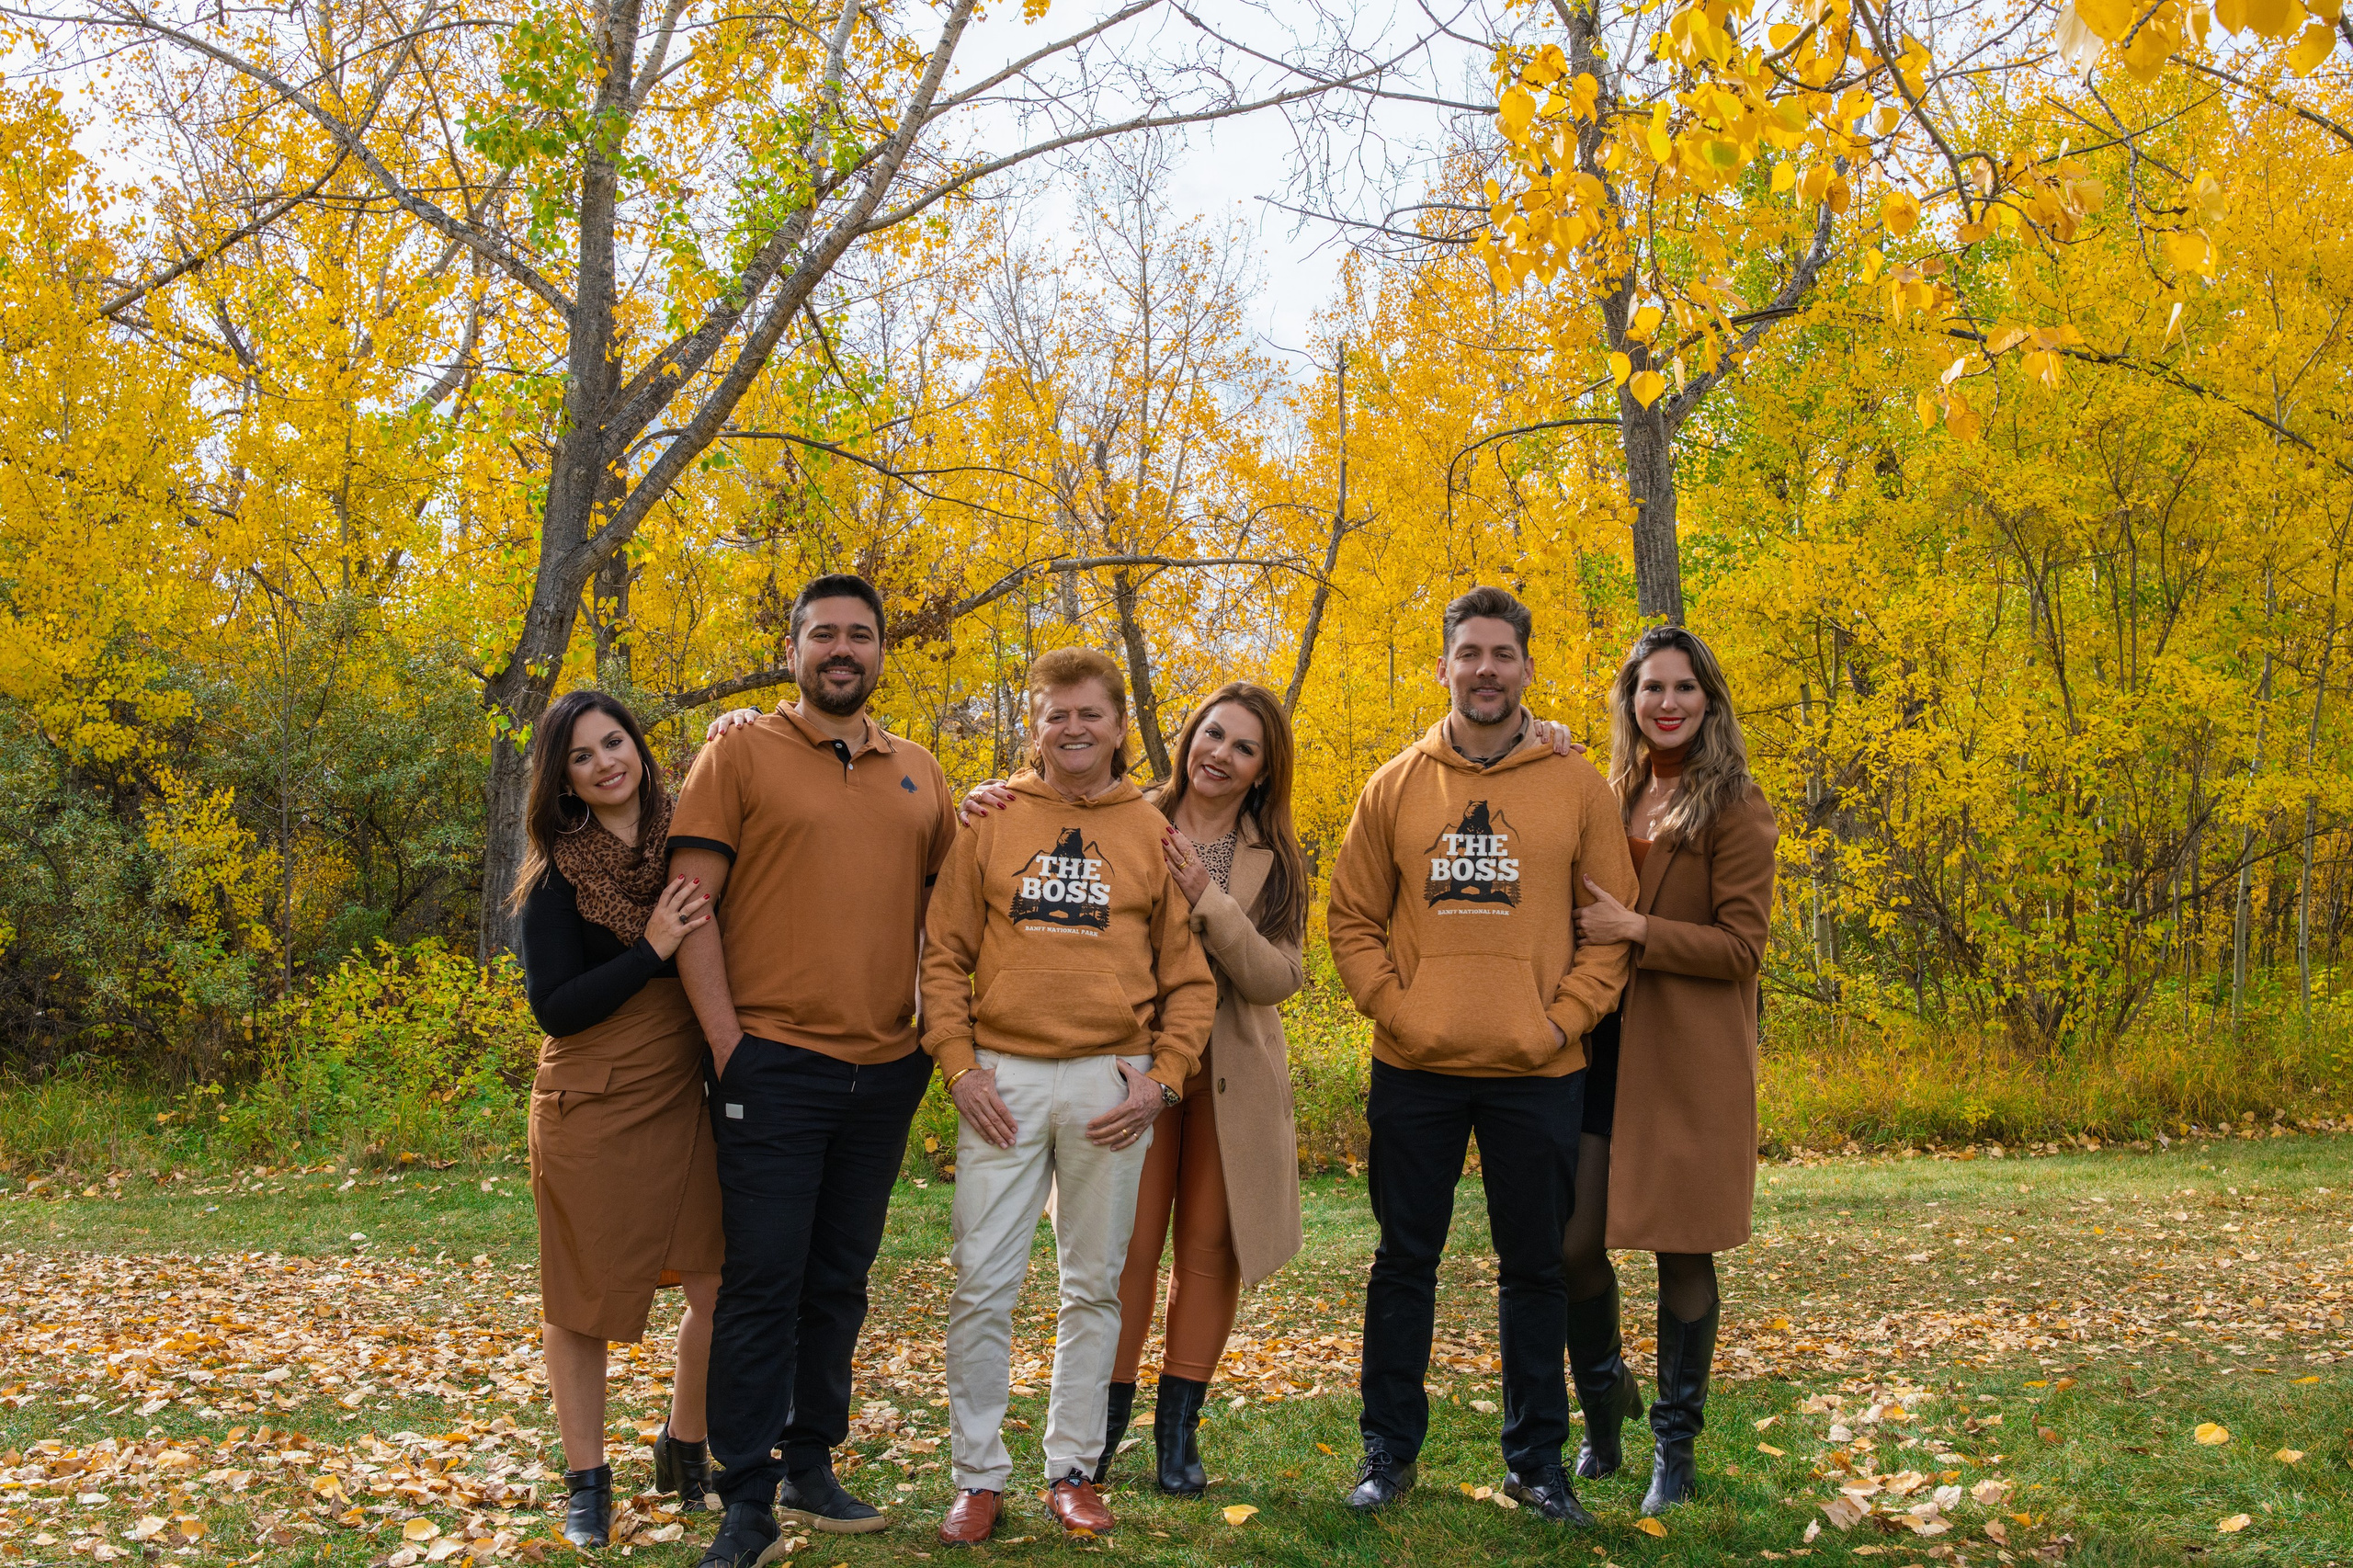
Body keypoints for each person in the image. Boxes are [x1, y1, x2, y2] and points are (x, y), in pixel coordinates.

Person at [955, 694, 1585, 1497]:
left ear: (1262, 771)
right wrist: (989, 794)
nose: (1220, 754)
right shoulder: (1127, 815)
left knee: (1209, 1249)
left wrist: (1207, 897)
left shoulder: (1278, 857)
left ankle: (1178, 1433)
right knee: (1125, 1249)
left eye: (1244, 748)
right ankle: (1099, 1429)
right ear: (1189, 739)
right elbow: (1043, 830)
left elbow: (1278, 977)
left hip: (1233, 1075)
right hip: (1133, 1066)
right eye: (1213, 734)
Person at [1324, 585, 1638, 1528]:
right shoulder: (1393, 784)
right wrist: (1398, 1010)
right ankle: (1387, 1453)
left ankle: (1537, 1464)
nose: (1486, 669)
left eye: (1503, 654)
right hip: (1414, 1067)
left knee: (1535, 1269)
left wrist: (1560, 1023)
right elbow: (1350, 918)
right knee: (1402, 1262)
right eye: (1470, 653)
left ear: (1527, 667)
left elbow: (1611, 928)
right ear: (1444, 667)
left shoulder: (1576, 785)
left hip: (1538, 1070)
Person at [665, 575, 961, 1568]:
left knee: (838, 1281)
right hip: (773, 1063)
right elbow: (690, 904)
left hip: (885, 1069)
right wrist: (729, 1045)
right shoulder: (738, 750)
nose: (842, 649)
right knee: (761, 1283)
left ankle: (810, 1463)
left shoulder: (919, 771)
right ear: (791, 651)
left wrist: (933, 1038)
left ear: (880, 653)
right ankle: (744, 1498)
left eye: (860, 635)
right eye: (823, 634)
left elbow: (952, 916)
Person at [919, 648, 1218, 1545]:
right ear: (1034, 724)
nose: (1074, 728)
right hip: (1001, 1080)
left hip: (1108, 1083)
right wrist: (960, 1066)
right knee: (983, 1281)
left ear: (1119, 725)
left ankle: (1074, 1468)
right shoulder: (991, 820)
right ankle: (977, 1475)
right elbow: (943, 955)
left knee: (1094, 1286)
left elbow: (1189, 979)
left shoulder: (1150, 831)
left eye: (1091, 713)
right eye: (1057, 714)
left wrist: (1162, 1079)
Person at [1561, 625, 1779, 1515]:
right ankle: (1605, 1400)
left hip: (1687, 1058)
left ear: (1709, 701)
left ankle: (1674, 1447)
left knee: (1681, 1250)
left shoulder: (1736, 805)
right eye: (1651, 686)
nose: (1667, 702)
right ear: (1630, 700)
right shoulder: (1608, 793)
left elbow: (1741, 947)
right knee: (1570, 1244)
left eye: (1685, 687)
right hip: (1599, 1047)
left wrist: (1638, 930)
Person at [510, 690, 724, 1548]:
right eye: (582, 756)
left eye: (614, 742)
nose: (605, 763)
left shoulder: (692, 844)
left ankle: (684, 1444)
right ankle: (587, 1483)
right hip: (590, 1100)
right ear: (562, 780)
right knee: (582, 1300)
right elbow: (556, 1008)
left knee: (720, 1285)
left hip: (681, 1095)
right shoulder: (556, 880)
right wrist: (651, 949)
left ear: (639, 746)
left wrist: (737, 727)